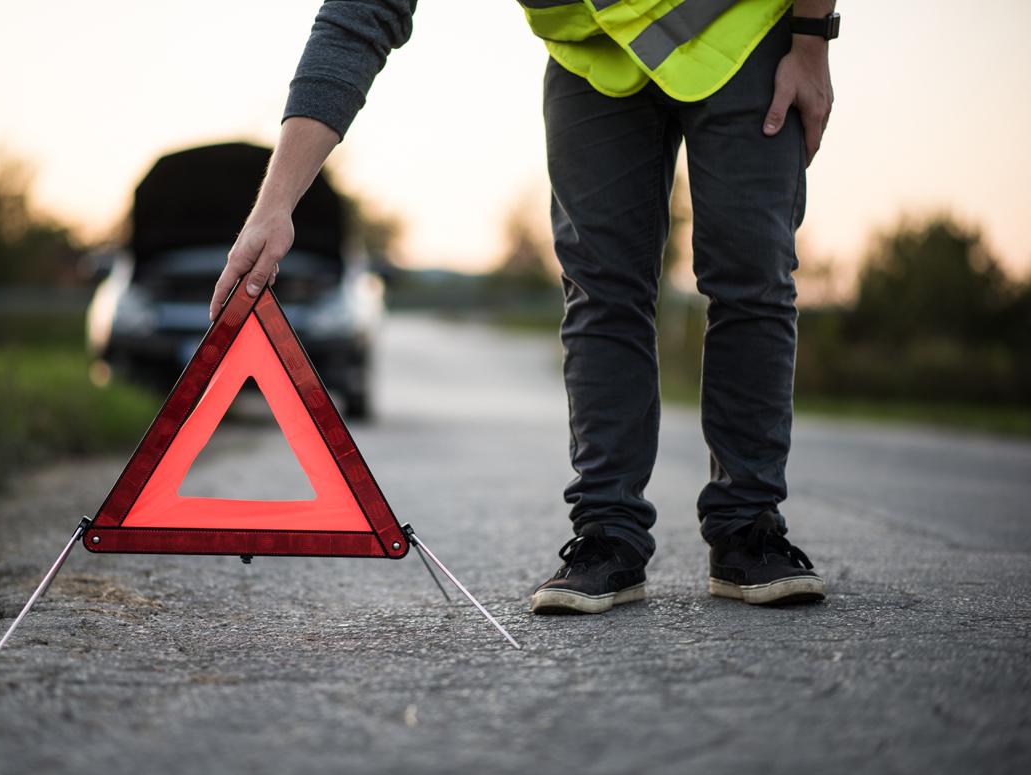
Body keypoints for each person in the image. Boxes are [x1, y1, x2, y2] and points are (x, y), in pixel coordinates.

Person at [209, 0, 836, 614]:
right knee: (602, 290)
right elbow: (358, 15)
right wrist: (276, 205)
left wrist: (811, 41)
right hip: (593, 58)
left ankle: (748, 527)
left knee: (750, 276)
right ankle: (608, 532)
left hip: (745, 31)